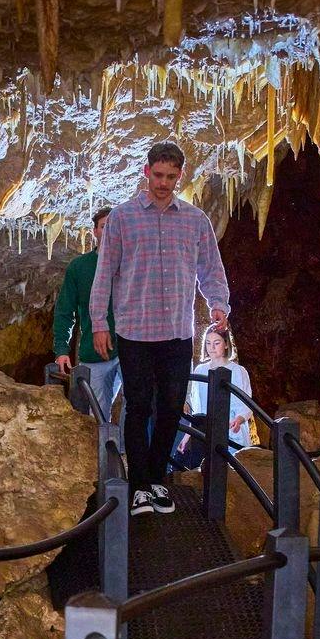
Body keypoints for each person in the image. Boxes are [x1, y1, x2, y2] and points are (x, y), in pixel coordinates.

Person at [90, 140, 233, 517]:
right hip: (135, 331)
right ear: (146, 172)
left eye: (171, 176)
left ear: (181, 176)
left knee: (170, 408)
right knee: (137, 407)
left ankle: (156, 480)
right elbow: (105, 273)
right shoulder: (122, 218)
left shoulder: (195, 220)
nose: (164, 183)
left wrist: (218, 302)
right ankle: (137, 485)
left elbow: (211, 270)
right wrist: (98, 323)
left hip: (176, 332)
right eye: (158, 175)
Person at [51, 208, 121, 420]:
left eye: (113, 226)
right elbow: (65, 309)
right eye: (103, 226)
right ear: (95, 232)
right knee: (97, 413)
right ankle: (100, 452)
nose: (108, 231)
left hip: (130, 349)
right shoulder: (80, 267)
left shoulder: (132, 264)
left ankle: (129, 452)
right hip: (94, 352)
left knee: (137, 405)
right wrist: (62, 349)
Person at [172, 324, 255, 471]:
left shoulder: (238, 371)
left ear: (225, 345)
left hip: (231, 431)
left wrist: (240, 419)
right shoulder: (200, 370)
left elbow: (246, 401)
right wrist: (187, 436)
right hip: (205, 433)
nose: (212, 347)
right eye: (208, 343)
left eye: (217, 343)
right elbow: (198, 409)